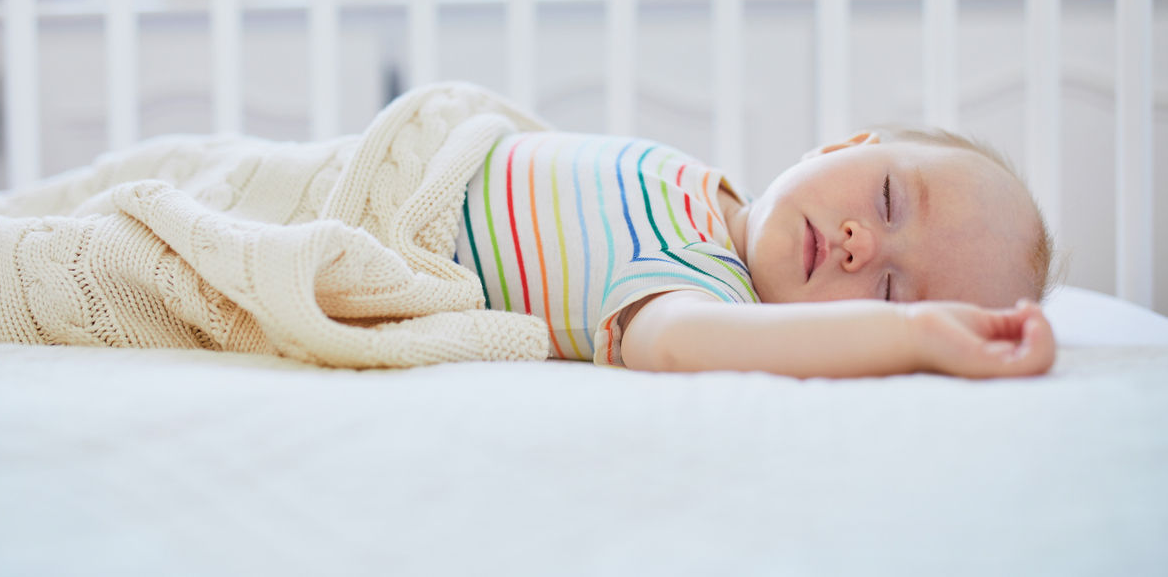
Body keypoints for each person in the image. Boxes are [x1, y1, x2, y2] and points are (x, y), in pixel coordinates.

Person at [453, 127, 1056, 379]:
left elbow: (672, 340)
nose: (862, 244)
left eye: (890, 291)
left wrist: (912, 335)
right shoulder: (706, 190)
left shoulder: (708, 287)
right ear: (838, 148)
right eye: (887, 197)